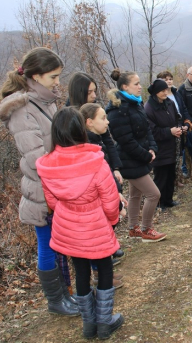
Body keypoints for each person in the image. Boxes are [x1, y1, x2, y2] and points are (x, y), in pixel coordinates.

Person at [0, 47, 79, 317]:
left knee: (58, 244)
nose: (58, 82)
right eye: (53, 77)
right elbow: (37, 159)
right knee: (47, 245)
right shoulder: (23, 109)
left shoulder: (46, 101)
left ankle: (64, 296)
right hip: (43, 191)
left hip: (58, 185)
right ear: (35, 76)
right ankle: (56, 301)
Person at [36, 107, 123, 339]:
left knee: (81, 270)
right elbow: (110, 199)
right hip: (94, 223)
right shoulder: (95, 160)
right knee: (104, 268)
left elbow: (52, 201)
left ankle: (88, 325)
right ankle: (104, 324)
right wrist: (111, 221)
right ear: (80, 129)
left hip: (67, 225)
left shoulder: (46, 164)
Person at [67, 72, 125, 262]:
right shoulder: (70, 115)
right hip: (85, 178)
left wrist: (115, 167)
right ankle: (101, 260)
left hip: (104, 168)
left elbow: (108, 141)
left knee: (109, 206)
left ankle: (109, 246)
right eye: (90, 92)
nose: (93, 95)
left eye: (94, 91)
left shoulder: (95, 112)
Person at [106, 69, 167, 243]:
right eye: (136, 84)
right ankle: (147, 229)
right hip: (130, 159)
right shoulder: (118, 110)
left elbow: (147, 129)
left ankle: (133, 228)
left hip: (140, 156)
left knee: (135, 194)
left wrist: (152, 148)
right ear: (125, 86)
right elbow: (126, 140)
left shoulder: (135, 103)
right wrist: (146, 156)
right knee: (154, 194)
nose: (141, 87)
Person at [80, 103, 126, 289]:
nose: (107, 122)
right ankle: (101, 278)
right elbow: (99, 179)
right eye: (103, 118)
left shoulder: (97, 140)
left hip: (108, 197)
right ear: (89, 122)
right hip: (98, 205)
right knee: (99, 243)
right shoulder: (89, 145)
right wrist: (115, 198)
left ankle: (102, 275)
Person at [144, 79, 183, 210]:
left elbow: (177, 118)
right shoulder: (149, 108)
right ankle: (159, 203)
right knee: (161, 177)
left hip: (171, 146)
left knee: (171, 174)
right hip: (159, 148)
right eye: (162, 90)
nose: (165, 92)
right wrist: (169, 131)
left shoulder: (169, 103)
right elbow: (152, 131)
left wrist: (178, 128)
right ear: (155, 92)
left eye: (166, 89)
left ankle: (169, 199)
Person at [178, 66, 192, 173]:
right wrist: (190, 121)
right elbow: (182, 108)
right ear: (188, 75)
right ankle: (185, 168)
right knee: (188, 147)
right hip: (190, 124)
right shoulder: (182, 89)